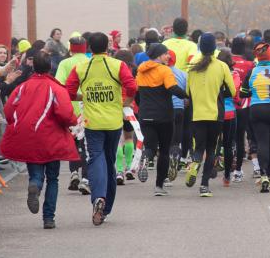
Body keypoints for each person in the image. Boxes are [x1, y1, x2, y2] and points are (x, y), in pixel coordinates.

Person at [0, 52, 79, 229]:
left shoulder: (22, 87)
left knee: (36, 173)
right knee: (53, 178)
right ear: (50, 67)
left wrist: (17, 124)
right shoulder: (56, 88)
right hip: (52, 139)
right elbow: (66, 114)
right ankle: (48, 218)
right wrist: (74, 121)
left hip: (29, 137)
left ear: (33, 66)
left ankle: (34, 185)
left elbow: (8, 110)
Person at [66, 32, 137, 226]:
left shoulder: (81, 68)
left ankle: (98, 197)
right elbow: (132, 86)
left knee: (95, 158)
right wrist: (127, 101)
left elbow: (69, 91)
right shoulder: (118, 65)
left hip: (93, 122)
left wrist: (84, 97)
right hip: (114, 122)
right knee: (109, 161)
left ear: (89, 47)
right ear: (107, 47)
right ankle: (105, 209)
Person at [186, 33, 235, 197]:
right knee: (212, 148)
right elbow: (233, 91)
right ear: (215, 47)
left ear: (199, 47)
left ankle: (194, 163)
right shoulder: (222, 66)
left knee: (199, 147)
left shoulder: (192, 65)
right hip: (216, 114)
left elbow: (188, 92)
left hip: (197, 113)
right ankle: (204, 186)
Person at [136, 43, 188, 196]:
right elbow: (173, 89)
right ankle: (159, 186)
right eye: (166, 54)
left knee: (151, 147)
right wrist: (187, 96)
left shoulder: (140, 70)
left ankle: (146, 157)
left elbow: (136, 91)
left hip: (145, 115)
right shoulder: (165, 70)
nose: (168, 56)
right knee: (164, 151)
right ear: (159, 55)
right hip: (164, 116)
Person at [241, 42, 270, 193]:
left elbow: (243, 93)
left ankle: (264, 175)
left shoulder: (251, 72)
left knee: (262, 143)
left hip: (257, 109)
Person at [55, 35, 90, 195]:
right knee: (85, 144)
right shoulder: (89, 62)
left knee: (73, 143)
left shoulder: (64, 63)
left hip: (70, 108)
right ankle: (85, 179)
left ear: (70, 48)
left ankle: (74, 172)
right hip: (88, 108)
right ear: (85, 47)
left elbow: (59, 84)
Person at [230, 37, 255, 181]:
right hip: (244, 104)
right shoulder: (249, 65)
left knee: (226, 139)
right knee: (241, 138)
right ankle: (238, 172)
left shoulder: (224, 62)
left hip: (227, 105)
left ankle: (226, 169)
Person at [216, 50, 241, 187]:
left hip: (214, 111)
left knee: (213, 143)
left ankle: (210, 170)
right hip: (230, 112)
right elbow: (235, 91)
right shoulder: (234, 74)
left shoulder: (214, 73)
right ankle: (226, 176)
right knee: (229, 144)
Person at [114, 50, 138, 186]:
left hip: (116, 107)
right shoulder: (132, 72)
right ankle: (129, 167)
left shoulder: (114, 71)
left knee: (118, 140)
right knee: (129, 137)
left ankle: (119, 170)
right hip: (129, 107)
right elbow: (135, 88)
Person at [166, 50, 189, 178]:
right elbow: (187, 96)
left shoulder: (161, 73)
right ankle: (175, 156)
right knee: (176, 140)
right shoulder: (183, 74)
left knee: (166, 140)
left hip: (165, 110)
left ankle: (167, 168)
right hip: (179, 109)